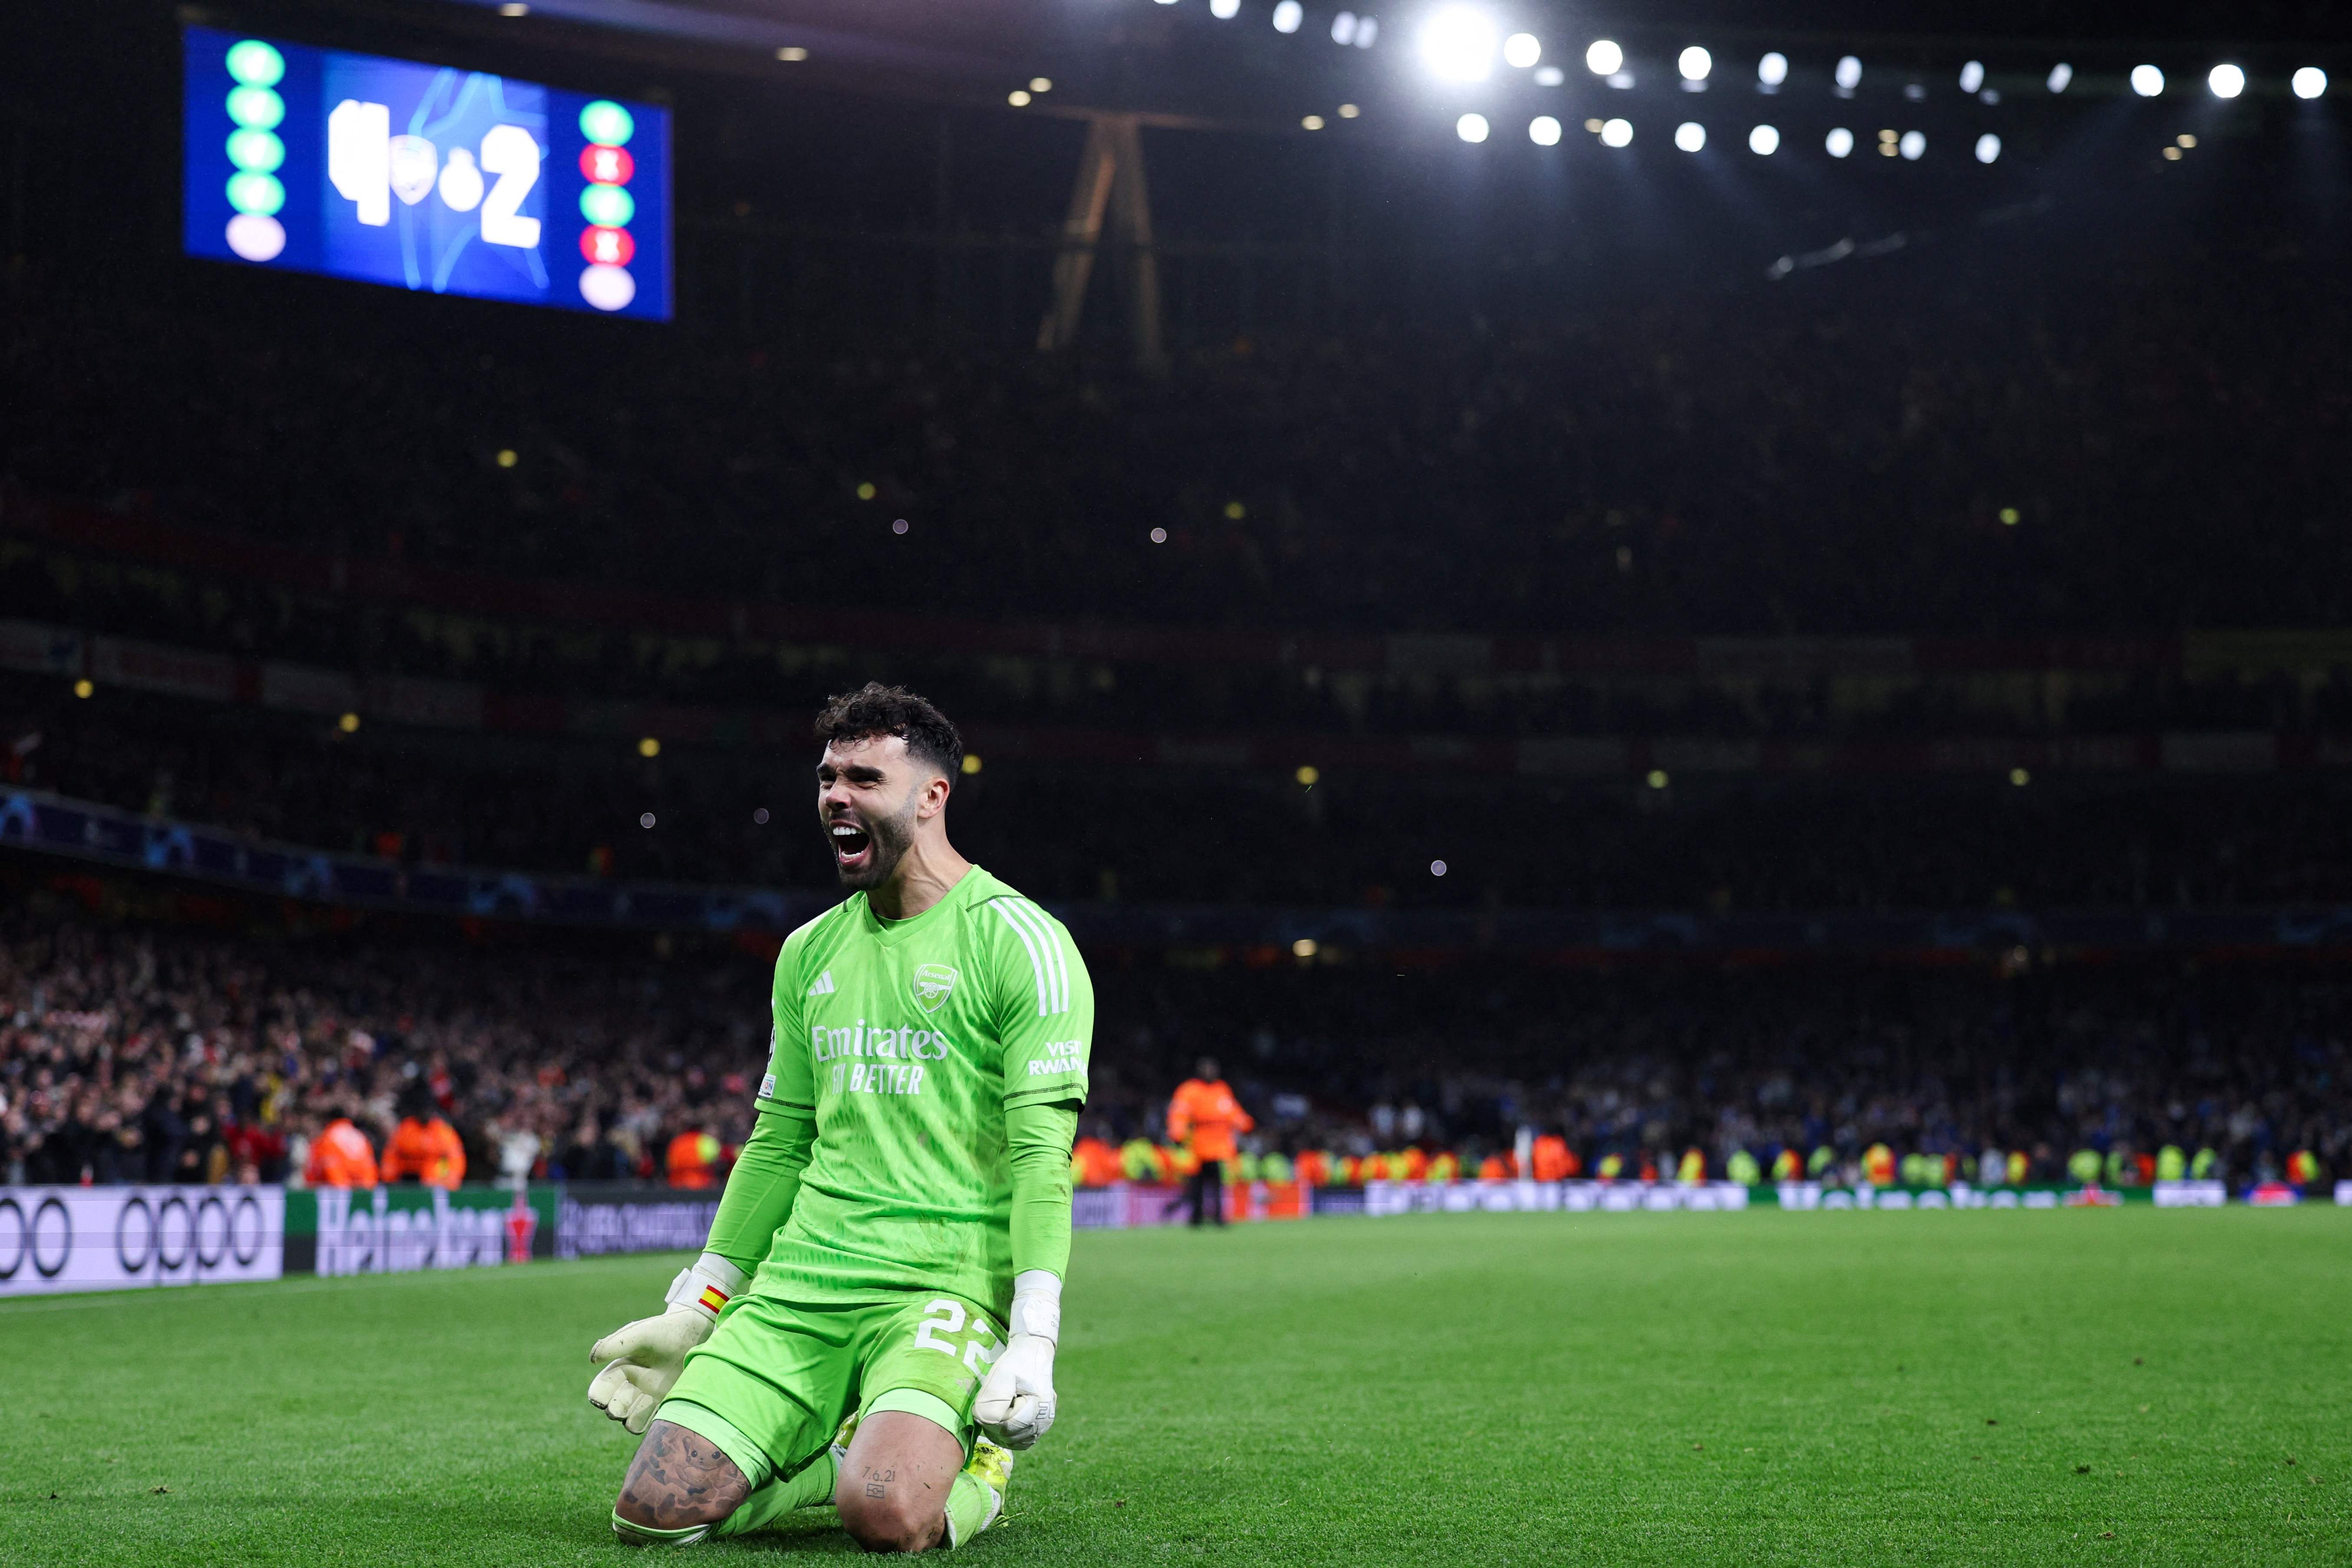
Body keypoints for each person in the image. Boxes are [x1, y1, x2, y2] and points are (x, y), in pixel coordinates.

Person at [585, 684, 1092, 1551]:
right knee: (650, 1511)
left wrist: (1033, 1337)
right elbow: (780, 1140)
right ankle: (826, 1461)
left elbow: (1043, 1156)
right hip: (803, 1285)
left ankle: (974, 1470)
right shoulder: (809, 951)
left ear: (932, 795)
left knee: (889, 1512)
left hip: (942, 1286)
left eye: (863, 777)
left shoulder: (1021, 941)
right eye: (828, 777)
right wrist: (699, 1302)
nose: (835, 798)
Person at [1165, 1057, 1252, 1227]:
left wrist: (1244, 1123)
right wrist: (1178, 1133)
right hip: (1197, 1143)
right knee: (1196, 1183)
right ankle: (1196, 1217)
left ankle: (1219, 1217)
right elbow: (1179, 1113)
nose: (1210, 1072)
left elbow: (1231, 1111)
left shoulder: (1221, 1089)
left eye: (1212, 1069)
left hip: (1219, 1145)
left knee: (1218, 1183)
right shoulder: (1189, 1090)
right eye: (1207, 1069)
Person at [380, 1082, 467, 1188]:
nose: (426, 1114)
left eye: (429, 1111)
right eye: (423, 1110)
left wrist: (449, 1181)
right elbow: (391, 1156)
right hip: (406, 1182)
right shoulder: (406, 1129)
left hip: (434, 1183)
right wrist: (391, 1178)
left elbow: (456, 1159)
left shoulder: (443, 1131)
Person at [303, 1100, 380, 1189]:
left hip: (341, 1190)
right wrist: (368, 1190)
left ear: (327, 1120)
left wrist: (345, 1193)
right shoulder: (360, 1136)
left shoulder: (328, 1137)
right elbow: (369, 1164)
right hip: (365, 1186)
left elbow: (330, 1166)